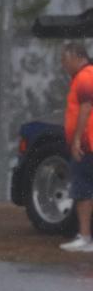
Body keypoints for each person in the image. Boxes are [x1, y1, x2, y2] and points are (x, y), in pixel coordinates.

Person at [58, 42, 93, 252]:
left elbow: (86, 108)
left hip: (87, 144)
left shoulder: (84, 77)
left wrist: (77, 139)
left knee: (83, 189)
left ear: (78, 56)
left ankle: (85, 237)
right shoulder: (83, 76)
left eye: (65, 59)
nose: (63, 64)